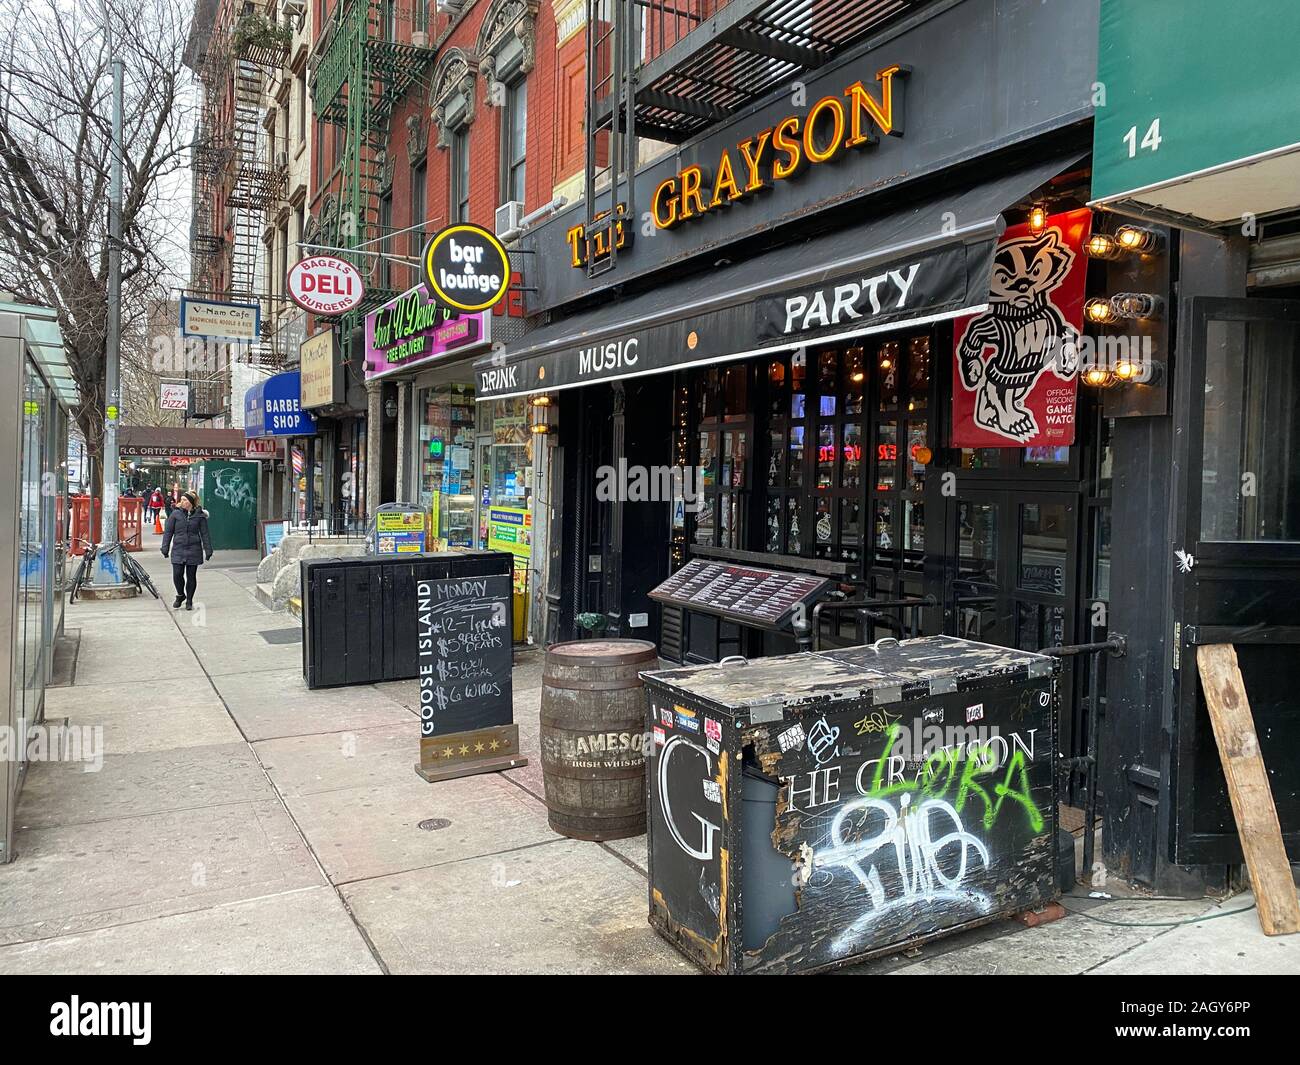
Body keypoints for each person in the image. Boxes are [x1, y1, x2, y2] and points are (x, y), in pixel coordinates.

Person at [160, 491, 212, 610]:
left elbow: (205, 534)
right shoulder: (175, 514)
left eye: (185, 500)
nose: (182, 502)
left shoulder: (200, 516)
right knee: (177, 574)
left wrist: (208, 550)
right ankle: (180, 595)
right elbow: (168, 532)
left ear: (191, 503)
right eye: (181, 499)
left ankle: (189, 600)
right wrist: (165, 547)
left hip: (194, 549)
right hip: (178, 548)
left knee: (191, 576)